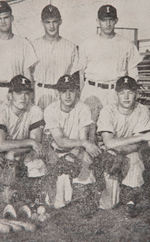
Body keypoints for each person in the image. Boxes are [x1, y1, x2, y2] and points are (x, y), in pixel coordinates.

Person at [44, 73, 100, 209]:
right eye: (64, 91)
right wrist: (84, 144)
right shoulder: (50, 109)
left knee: (86, 170)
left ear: (77, 92)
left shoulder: (83, 108)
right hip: (55, 152)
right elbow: (60, 141)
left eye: (71, 91)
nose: (68, 95)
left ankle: (79, 188)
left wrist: (76, 153)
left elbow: (83, 139)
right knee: (56, 202)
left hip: (76, 151)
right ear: (58, 93)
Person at [97, 75, 150, 214]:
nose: (126, 97)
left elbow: (139, 144)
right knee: (110, 204)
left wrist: (125, 147)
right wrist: (140, 137)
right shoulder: (107, 110)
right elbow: (108, 143)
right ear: (116, 95)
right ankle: (102, 188)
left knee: (135, 159)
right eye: (122, 93)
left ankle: (131, 199)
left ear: (137, 93)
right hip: (109, 155)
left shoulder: (142, 110)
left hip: (129, 151)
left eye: (130, 92)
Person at [79, 4, 141, 109]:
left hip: (115, 92)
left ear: (116, 20)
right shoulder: (87, 43)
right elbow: (80, 73)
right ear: (98, 21)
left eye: (111, 20)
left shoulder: (127, 44)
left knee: (115, 124)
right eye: (104, 20)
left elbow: (133, 74)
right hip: (92, 90)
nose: (107, 24)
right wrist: (81, 94)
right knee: (90, 124)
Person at [33, 4, 79, 110]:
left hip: (62, 93)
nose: (51, 26)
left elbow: (75, 78)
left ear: (60, 22)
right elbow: (28, 75)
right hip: (40, 92)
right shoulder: (34, 45)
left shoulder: (70, 46)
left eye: (54, 21)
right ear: (42, 23)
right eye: (47, 22)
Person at [0, 1, 37, 104]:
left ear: (12, 18)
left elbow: (28, 75)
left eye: (6, 17)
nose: (3, 22)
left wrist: (30, 99)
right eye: (0, 18)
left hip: (18, 94)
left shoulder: (23, 43)